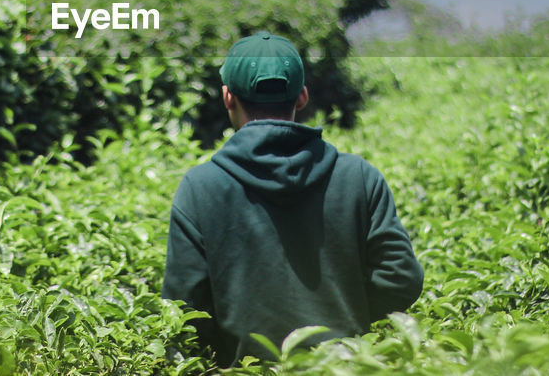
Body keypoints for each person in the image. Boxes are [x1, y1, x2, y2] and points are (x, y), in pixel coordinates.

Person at [162, 31, 423, 366]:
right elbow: (402, 278)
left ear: (228, 97)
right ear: (301, 97)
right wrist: (347, 323)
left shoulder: (200, 187)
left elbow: (184, 305)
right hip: (346, 368)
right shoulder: (358, 177)